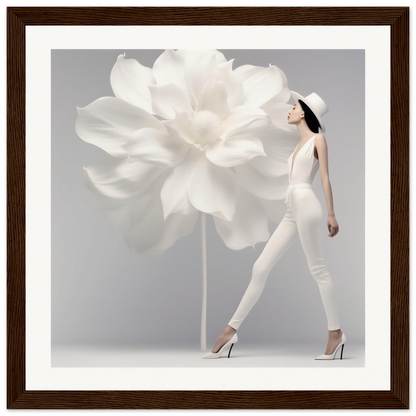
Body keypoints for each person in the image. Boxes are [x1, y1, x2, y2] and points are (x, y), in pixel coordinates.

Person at [201, 91, 347, 360]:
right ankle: (231, 330)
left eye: (294, 107)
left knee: (318, 269)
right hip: (292, 206)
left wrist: (332, 213)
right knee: (260, 267)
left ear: (304, 113)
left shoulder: (318, 140)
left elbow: (325, 178)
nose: (289, 111)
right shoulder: (297, 146)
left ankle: (335, 333)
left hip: (306, 204)